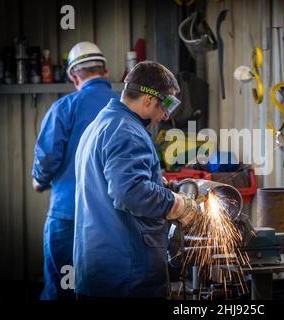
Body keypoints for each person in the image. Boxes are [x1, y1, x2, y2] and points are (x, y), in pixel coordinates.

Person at [73, 61, 200, 299]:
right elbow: (129, 192)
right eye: (167, 105)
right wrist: (177, 205)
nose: (165, 115)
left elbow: (115, 182)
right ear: (148, 99)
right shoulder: (127, 131)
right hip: (127, 275)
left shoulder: (100, 125)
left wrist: (163, 186)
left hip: (98, 271)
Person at [32, 42, 118, 300]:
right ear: (106, 72)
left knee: (63, 290)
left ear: (73, 76)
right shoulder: (127, 108)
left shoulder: (64, 107)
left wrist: (39, 180)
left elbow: (47, 158)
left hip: (69, 216)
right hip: (114, 219)